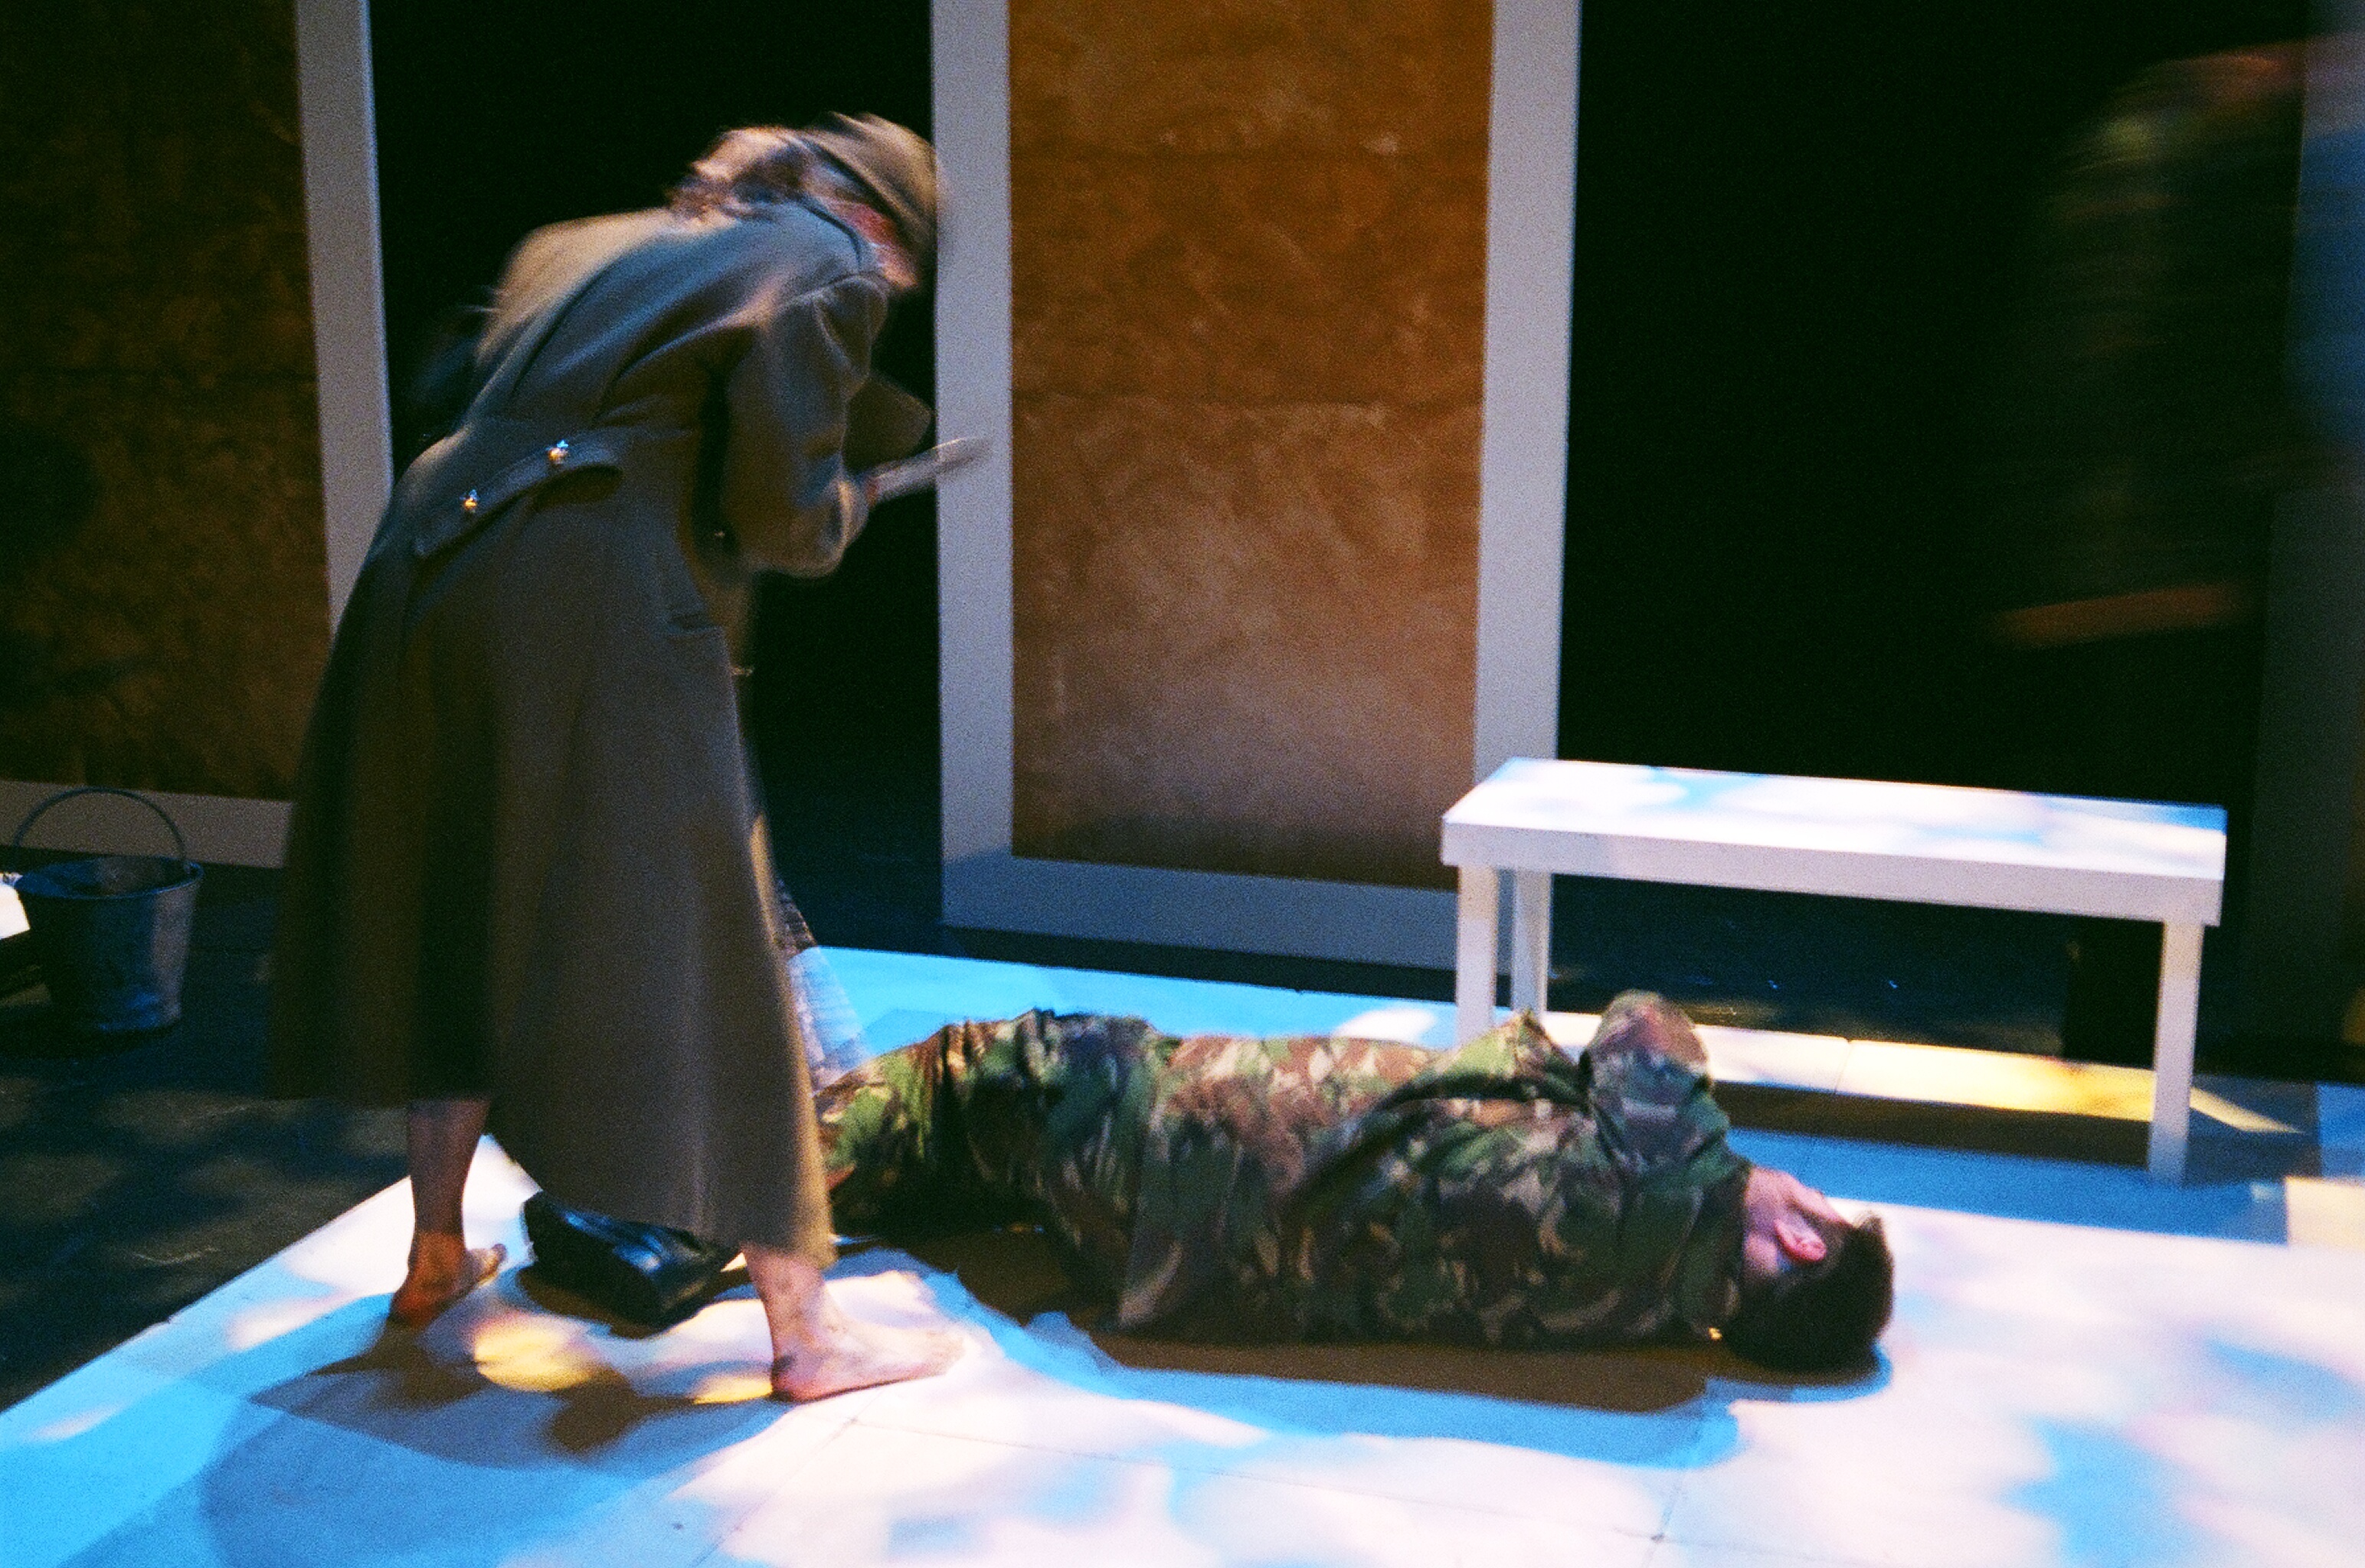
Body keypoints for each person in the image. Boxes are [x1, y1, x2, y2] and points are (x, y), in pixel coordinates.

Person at [267, 116, 969, 1400]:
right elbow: (782, 517)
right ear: (881, 227)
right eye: (904, 270)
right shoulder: (827, 264)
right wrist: (869, 490)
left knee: (463, 902)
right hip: (582, 587)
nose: (890, 290)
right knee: (719, 940)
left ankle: (434, 1256)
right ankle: (807, 1336)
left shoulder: (602, 240)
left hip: (428, 561)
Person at [810, 990, 1892, 1371]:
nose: (1796, 1184)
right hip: (1184, 1269)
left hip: (1181, 1133)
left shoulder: (1676, 1172)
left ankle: (724, 1192)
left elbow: (1642, 1018)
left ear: (1802, 1240)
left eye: (1814, 1203)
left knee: (963, 1081)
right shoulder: (1645, 1315)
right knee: (977, 1160)